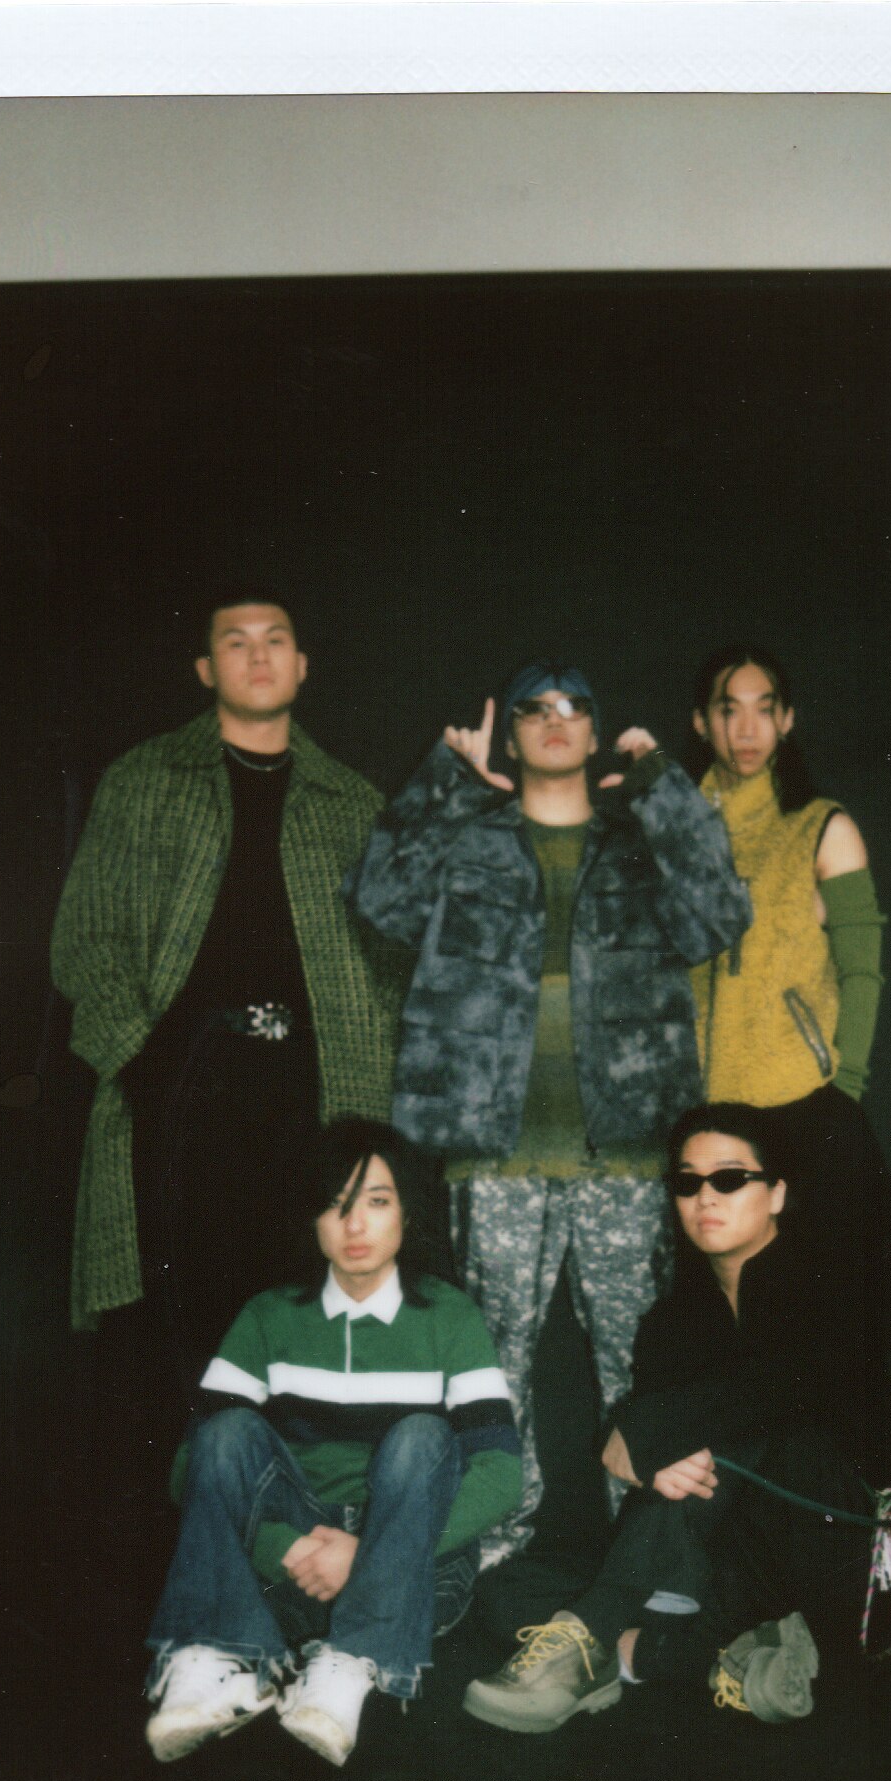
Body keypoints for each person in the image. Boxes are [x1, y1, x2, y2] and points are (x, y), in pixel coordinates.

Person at [347, 663, 747, 1562]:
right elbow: (380, 903)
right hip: (495, 1155)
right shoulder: (469, 842)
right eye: (535, 709)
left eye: (575, 709)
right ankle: (487, 1543)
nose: (556, 722)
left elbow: (721, 916)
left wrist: (664, 792)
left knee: (639, 1365)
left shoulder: (640, 841)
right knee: (493, 1370)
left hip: (631, 1155)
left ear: (598, 733)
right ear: (514, 732)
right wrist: (445, 783)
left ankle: (645, 1545)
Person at [49, 596, 401, 1395]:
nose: (259, 656)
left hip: (313, 1092)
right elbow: (85, 943)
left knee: (302, 1325)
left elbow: (392, 963)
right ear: (207, 670)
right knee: (177, 1333)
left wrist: (370, 1082)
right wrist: (140, 1060)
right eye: (235, 643)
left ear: (303, 665)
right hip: (182, 1081)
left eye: (277, 639)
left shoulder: (352, 803)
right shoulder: (144, 782)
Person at [464, 1103, 891, 1734]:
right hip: (716, 1547)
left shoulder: (830, 1286)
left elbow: (770, 1401)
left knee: (719, 1450)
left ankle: (593, 1645)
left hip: (826, 1535)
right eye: (688, 1182)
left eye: (729, 1179)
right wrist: (642, 1439)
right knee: (506, 1592)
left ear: (776, 1193)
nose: (705, 1198)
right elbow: (655, 1428)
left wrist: (640, 1434)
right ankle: (713, 1654)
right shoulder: (672, 1320)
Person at [144, 1118, 522, 1767]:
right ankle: (219, 1656)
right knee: (226, 1432)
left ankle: (352, 1664)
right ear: (311, 1219)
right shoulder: (268, 1317)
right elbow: (190, 1468)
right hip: (292, 1576)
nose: (355, 1227)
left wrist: (370, 1555)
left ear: (407, 1212)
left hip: (418, 1575)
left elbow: (501, 1475)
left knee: (424, 1436)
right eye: (336, 1206)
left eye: (376, 1202)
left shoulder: (450, 1317)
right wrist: (284, 1548)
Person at [688, 644, 891, 1445]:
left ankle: (872, 1540)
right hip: (713, 1130)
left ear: (787, 720)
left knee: (837, 1349)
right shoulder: (677, 830)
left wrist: (841, 1091)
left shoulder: (823, 826)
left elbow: (864, 970)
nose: (746, 727)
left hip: (807, 1116)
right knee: (729, 1347)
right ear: (702, 721)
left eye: (763, 707)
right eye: (728, 707)